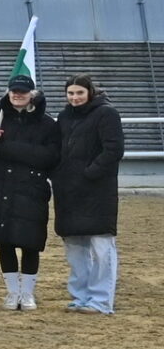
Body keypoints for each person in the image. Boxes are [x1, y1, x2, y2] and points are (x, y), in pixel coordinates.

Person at [0, 72, 61, 310]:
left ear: (31, 94)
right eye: (14, 91)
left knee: (30, 241)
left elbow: (48, 157)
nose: (17, 95)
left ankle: (28, 292)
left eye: (22, 92)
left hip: (30, 189)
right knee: (6, 241)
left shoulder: (48, 124)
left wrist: (4, 146)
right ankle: (12, 292)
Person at [54, 75, 123, 314]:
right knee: (75, 248)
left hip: (97, 192)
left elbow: (114, 148)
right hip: (68, 191)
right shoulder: (64, 117)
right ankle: (80, 296)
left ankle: (101, 300)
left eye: (79, 93)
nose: (74, 98)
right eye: (71, 93)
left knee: (102, 247)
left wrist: (90, 173)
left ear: (90, 92)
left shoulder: (106, 114)